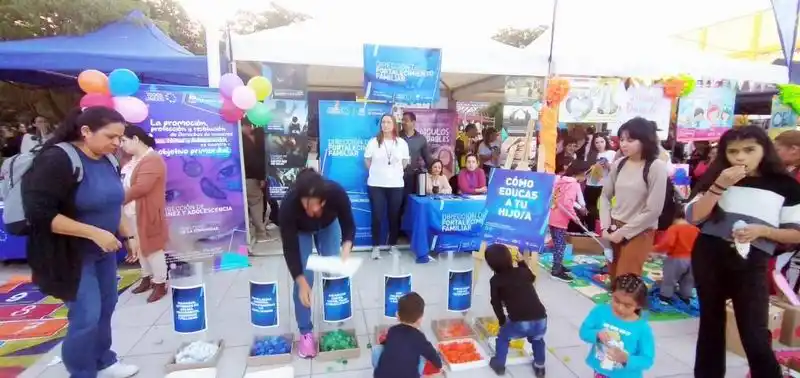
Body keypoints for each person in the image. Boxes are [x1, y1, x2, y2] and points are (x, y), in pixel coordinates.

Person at [21, 107, 140, 378]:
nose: (117, 143)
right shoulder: (58, 160)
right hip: (70, 254)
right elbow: (40, 214)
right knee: (86, 315)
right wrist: (94, 233)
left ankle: (104, 361)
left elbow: (114, 201)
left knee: (107, 306)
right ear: (86, 131)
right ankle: (82, 372)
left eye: (120, 138)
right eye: (111, 136)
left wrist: (129, 234)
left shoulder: (108, 160)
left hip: (104, 253)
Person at [686, 126, 800, 377]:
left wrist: (763, 231)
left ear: (764, 150)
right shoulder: (717, 176)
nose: (740, 157)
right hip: (709, 254)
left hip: (752, 260)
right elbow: (693, 217)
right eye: (733, 151)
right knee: (711, 324)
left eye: (749, 150)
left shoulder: (785, 185)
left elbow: (796, 233)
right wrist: (719, 186)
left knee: (754, 330)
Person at [279, 169, 356, 359]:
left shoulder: (336, 193)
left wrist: (347, 244)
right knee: (305, 280)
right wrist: (300, 280)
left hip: (329, 225)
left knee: (333, 271)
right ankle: (305, 332)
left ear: (323, 200)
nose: (309, 210)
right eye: (305, 203)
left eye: (313, 205)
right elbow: (289, 248)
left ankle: (336, 316)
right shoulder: (289, 205)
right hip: (300, 232)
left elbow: (349, 224)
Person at [599, 117, 668, 282]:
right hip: (614, 226)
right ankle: (615, 308)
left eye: (630, 140)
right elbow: (605, 196)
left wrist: (624, 232)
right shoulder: (619, 164)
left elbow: (654, 210)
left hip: (639, 231)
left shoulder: (655, 166)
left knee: (627, 280)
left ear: (645, 140)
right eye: (621, 139)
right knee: (614, 276)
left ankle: (630, 307)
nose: (623, 144)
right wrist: (605, 226)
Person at [121, 125, 169, 303]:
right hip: (132, 211)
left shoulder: (152, 160)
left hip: (148, 211)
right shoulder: (133, 159)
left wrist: (117, 198)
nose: (121, 145)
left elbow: (142, 188)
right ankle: (147, 277)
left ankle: (160, 283)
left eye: (124, 140)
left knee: (153, 249)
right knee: (140, 248)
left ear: (135, 139)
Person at [485, 244, 548, 377]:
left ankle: (499, 365)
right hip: (541, 318)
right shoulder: (522, 272)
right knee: (538, 339)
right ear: (510, 258)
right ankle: (540, 367)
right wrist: (521, 262)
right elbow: (532, 278)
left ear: (490, 265)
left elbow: (495, 303)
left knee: (503, 337)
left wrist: (502, 320)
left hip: (520, 322)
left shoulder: (495, 280)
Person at [579, 274, 655, 378]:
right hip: (601, 372)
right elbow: (584, 332)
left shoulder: (642, 328)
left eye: (627, 305)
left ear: (638, 305)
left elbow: (647, 360)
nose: (620, 308)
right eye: (616, 300)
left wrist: (626, 359)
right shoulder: (600, 312)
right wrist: (597, 335)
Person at [365, 114, 410, 260]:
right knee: (377, 216)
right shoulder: (373, 142)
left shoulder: (401, 143)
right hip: (376, 184)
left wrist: (393, 173)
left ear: (394, 125)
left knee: (394, 216)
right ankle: (376, 247)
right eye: (383, 122)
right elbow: (367, 160)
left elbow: (404, 162)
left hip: (396, 185)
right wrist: (378, 172)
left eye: (388, 122)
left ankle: (393, 245)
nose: (385, 125)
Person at [372, 292, 442, 378]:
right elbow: (432, 354)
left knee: (377, 349)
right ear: (420, 319)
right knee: (422, 356)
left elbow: (385, 344)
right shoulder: (419, 337)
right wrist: (439, 364)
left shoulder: (392, 330)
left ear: (397, 315)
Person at [549, 160, 591, 282]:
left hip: (552, 215)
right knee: (560, 245)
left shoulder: (561, 180)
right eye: (586, 174)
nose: (586, 177)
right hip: (560, 218)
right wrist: (574, 217)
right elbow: (567, 203)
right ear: (581, 173)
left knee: (558, 243)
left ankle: (558, 264)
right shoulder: (572, 184)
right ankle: (556, 270)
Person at [653, 207, 698, 304]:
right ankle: (685, 298)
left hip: (677, 258)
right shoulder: (696, 230)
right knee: (688, 281)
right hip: (694, 259)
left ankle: (665, 298)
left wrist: (655, 249)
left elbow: (668, 243)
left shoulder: (675, 228)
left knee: (669, 279)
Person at [242, 119, 274, 245]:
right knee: (255, 203)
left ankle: (250, 233)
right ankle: (260, 233)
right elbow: (255, 163)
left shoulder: (238, 138)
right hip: (250, 178)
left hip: (239, 177)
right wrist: (261, 177)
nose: (251, 128)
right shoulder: (246, 142)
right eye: (249, 126)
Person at [585, 135, 616, 231]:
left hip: (603, 184)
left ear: (606, 141)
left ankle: (604, 229)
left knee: (603, 207)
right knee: (589, 207)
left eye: (602, 141)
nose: (599, 144)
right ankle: (591, 229)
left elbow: (614, 170)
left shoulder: (612, 153)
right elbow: (585, 171)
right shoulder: (591, 154)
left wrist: (607, 164)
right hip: (590, 184)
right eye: (596, 142)